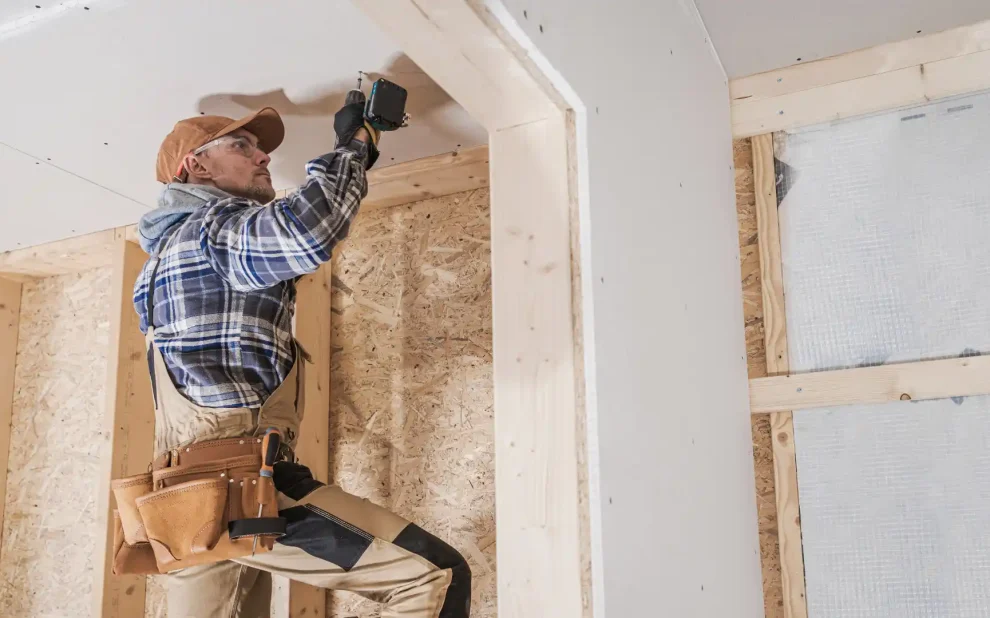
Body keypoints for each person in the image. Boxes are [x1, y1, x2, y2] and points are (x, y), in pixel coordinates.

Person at [133, 103, 470, 617]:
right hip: (240, 481)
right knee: (432, 577)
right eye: (241, 146)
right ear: (196, 169)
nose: (264, 155)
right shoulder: (210, 231)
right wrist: (355, 147)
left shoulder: (159, 263)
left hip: (185, 501)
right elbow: (304, 232)